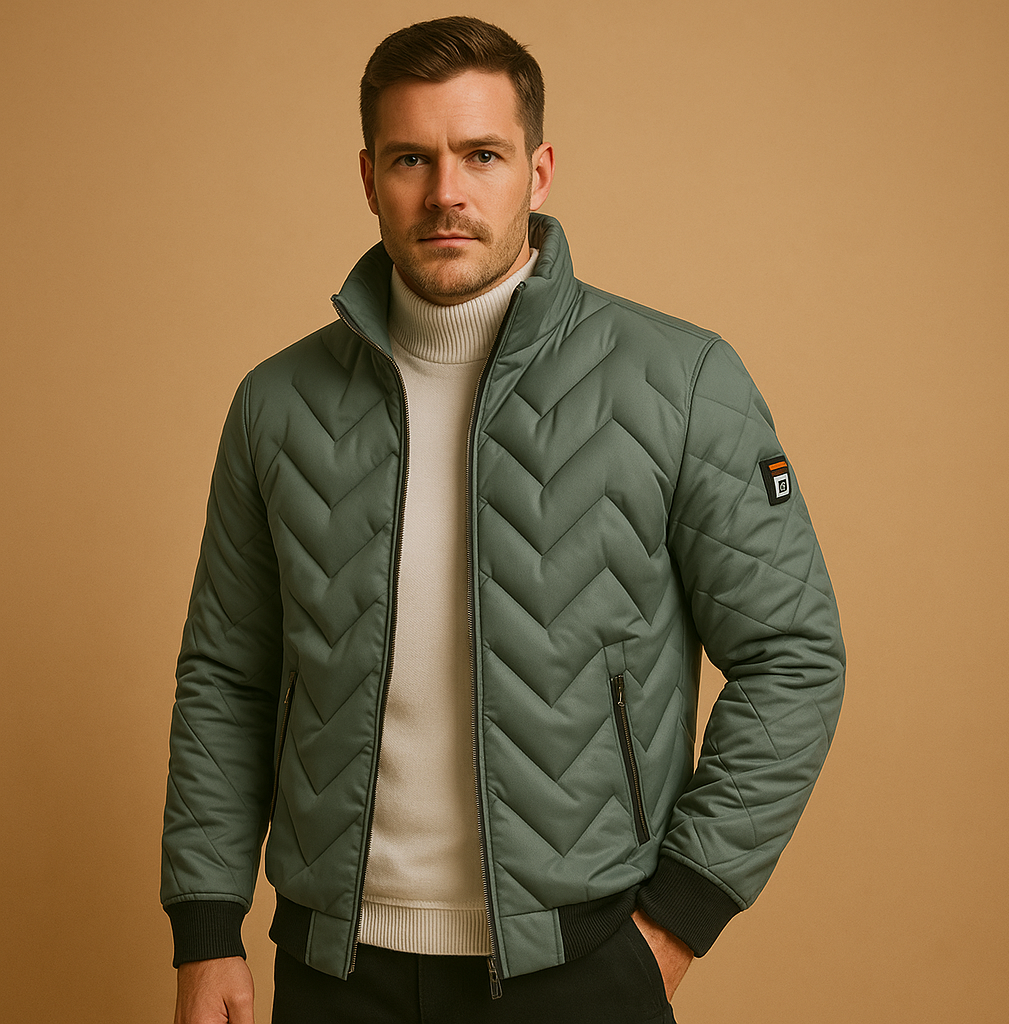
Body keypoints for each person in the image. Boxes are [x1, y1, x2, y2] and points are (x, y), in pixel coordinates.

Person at [162, 16, 845, 1024]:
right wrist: (207, 928)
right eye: (412, 158)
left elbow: (793, 653)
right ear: (369, 179)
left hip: (583, 962)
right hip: (332, 966)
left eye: (481, 154)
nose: (446, 191)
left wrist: (678, 917)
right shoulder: (277, 403)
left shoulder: (684, 380)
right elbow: (229, 675)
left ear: (539, 170)